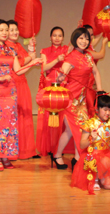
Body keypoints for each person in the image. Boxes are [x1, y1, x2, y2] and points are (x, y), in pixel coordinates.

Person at [0, 19, 42, 171]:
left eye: (6, 30)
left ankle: (5, 157)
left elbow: (17, 71)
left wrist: (33, 63)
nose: (5, 33)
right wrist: (0, 78)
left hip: (10, 92)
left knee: (9, 125)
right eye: (1, 30)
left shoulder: (11, 51)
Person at [54, 28, 103, 171]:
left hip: (81, 99)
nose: (84, 41)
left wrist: (99, 89)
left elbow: (96, 71)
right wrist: (61, 78)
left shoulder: (88, 56)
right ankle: (77, 158)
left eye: (87, 39)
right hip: (70, 100)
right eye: (81, 38)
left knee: (72, 131)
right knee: (79, 129)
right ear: (75, 39)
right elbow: (59, 78)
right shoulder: (70, 58)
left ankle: (59, 155)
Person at [71, 94, 110, 193]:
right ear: (97, 109)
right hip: (92, 156)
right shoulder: (89, 123)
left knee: (109, 185)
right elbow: (81, 145)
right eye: (105, 110)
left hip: (105, 155)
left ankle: (101, 175)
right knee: (105, 160)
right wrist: (91, 139)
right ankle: (95, 180)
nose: (108, 113)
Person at [36, 26, 71, 160]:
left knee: (63, 116)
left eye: (60, 36)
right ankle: (49, 147)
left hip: (63, 85)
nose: (57, 38)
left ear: (63, 38)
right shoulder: (44, 51)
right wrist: (57, 59)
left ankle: (60, 146)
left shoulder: (67, 50)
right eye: (54, 35)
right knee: (48, 117)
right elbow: (44, 68)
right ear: (50, 37)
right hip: (49, 86)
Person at [5, 20, 38, 159]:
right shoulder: (6, 47)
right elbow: (18, 70)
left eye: (16, 29)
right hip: (12, 85)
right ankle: (13, 152)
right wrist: (34, 63)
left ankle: (27, 151)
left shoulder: (17, 45)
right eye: (11, 30)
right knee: (14, 118)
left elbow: (30, 58)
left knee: (25, 116)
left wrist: (31, 47)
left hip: (22, 84)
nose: (15, 32)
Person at [82, 24, 108, 118]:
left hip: (93, 80)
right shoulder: (85, 50)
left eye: (92, 34)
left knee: (92, 104)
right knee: (90, 106)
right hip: (87, 82)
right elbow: (100, 55)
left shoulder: (90, 46)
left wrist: (103, 28)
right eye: (87, 35)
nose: (90, 37)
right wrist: (104, 44)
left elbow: (97, 37)